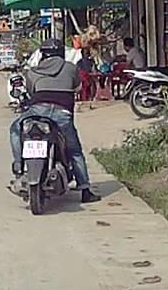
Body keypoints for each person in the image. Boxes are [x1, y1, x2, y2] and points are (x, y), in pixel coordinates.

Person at [9, 38, 100, 203]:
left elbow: (31, 92)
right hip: (62, 114)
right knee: (74, 151)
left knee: (15, 129)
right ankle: (85, 190)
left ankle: (18, 165)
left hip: (37, 112)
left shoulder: (33, 71)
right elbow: (77, 88)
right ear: (61, 53)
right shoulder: (71, 68)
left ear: (43, 54)